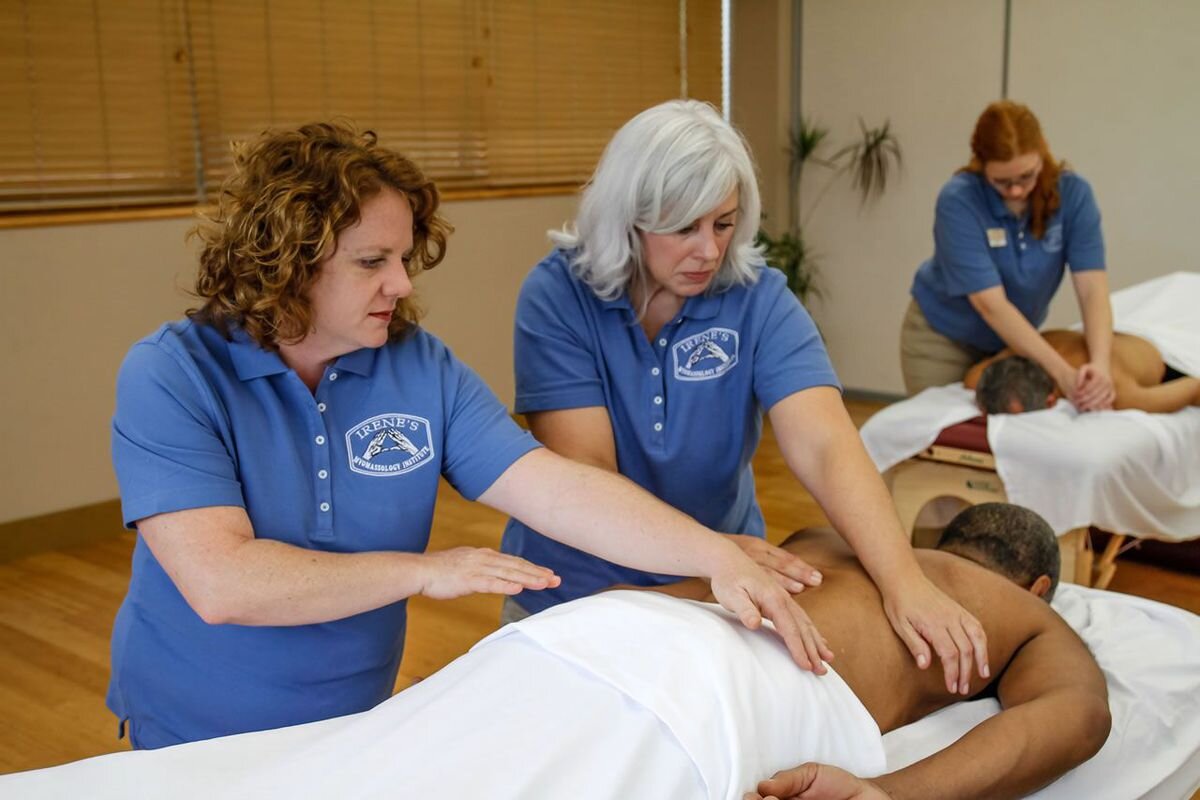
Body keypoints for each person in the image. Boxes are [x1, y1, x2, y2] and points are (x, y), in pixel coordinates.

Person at [106, 121, 830, 750]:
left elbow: (556, 487)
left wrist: (715, 554)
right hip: (194, 728)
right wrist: (425, 570)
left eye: (403, 260)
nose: (400, 285)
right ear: (288, 259)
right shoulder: (173, 375)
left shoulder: (418, 367)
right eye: (371, 263)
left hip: (357, 717)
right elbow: (222, 582)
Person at [500, 99, 988, 693]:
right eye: (684, 227)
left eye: (723, 222)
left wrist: (905, 581)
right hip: (576, 590)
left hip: (715, 590)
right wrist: (710, 550)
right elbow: (585, 472)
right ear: (628, 216)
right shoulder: (557, 297)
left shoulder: (757, 298)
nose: (709, 250)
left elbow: (827, 445)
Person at [902, 100, 1115, 411]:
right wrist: (1062, 373)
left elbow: (1092, 288)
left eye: (1026, 177)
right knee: (944, 439)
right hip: (943, 341)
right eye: (1002, 182)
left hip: (1012, 343)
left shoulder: (1074, 195)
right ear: (981, 164)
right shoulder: (959, 201)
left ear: (1042, 155)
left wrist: (1101, 364)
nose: (1016, 191)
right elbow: (990, 305)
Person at [965, 329, 1200, 414]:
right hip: (1117, 333)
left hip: (1172, 353)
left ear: (1050, 402)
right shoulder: (1018, 352)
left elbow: (1194, 387)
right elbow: (974, 379)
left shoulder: (1112, 393)